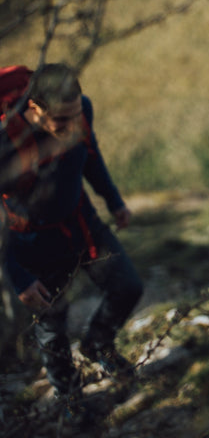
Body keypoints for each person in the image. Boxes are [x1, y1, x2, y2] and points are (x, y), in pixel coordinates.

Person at [0, 63, 143, 404]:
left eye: (76, 114)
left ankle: (98, 345)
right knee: (52, 327)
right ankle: (70, 399)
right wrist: (18, 277)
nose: (71, 126)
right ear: (34, 108)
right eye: (61, 120)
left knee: (127, 287)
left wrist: (113, 200)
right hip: (31, 243)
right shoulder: (6, 144)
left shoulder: (81, 111)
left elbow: (89, 156)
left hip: (83, 224)